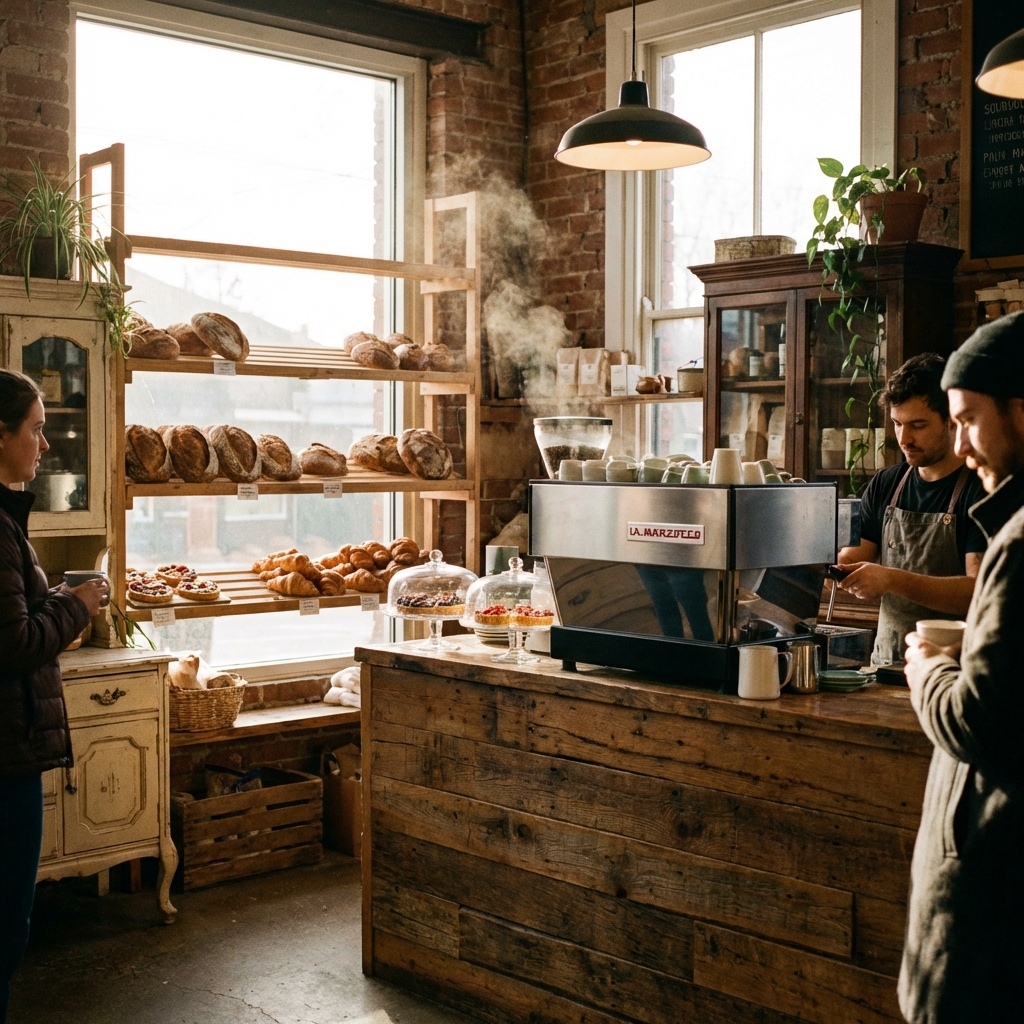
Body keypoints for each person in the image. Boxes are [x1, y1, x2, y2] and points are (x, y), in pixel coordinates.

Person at [898, 311, 1024, 1024]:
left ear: (1020, 409)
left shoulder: (1020, 540)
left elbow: (979, 720)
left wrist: (930, 669)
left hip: (996, 894)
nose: (965, 444)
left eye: (969, 419)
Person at [0, 369, 108, 1024]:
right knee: (6, 925)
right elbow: (11, 643)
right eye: (36, 430)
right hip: (4, 758)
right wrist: (76, 605)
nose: (44, 446)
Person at [836, 353, 986, 665]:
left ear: (952, 421)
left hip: (953, 670)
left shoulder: (981, 488)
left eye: (918, 425)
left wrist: (890, 579)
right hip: (888, 663)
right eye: (897, 424)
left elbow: (978, 592)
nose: (904, 438)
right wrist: (829, 565)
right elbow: (854, 556)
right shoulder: (886, 484)